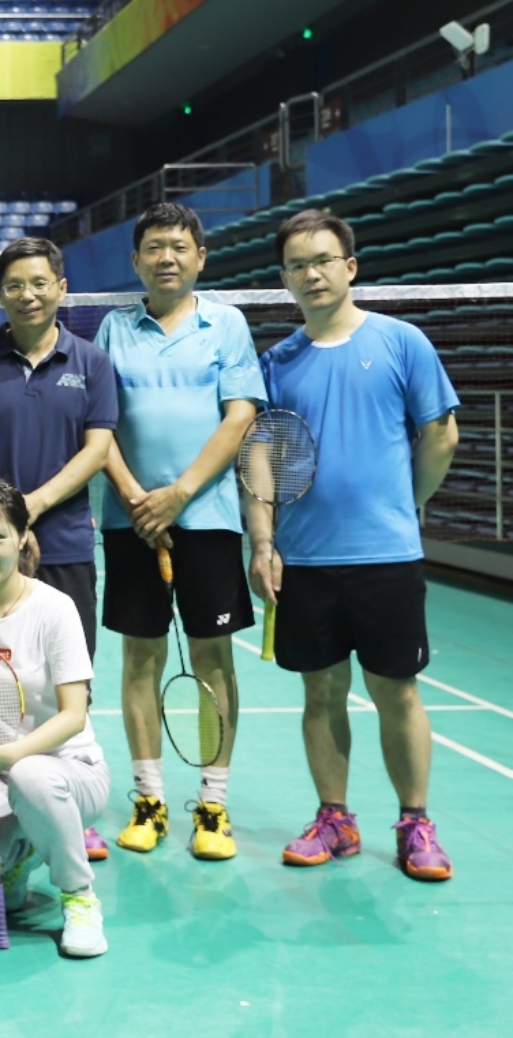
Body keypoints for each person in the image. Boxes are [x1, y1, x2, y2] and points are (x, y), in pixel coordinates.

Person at [255, 210, 459, 881]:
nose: (311, 274)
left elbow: (441, 435)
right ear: (284, 278)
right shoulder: (277, 363)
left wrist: (403, 504)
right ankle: (334, 819)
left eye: (322, 260)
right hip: (306, 559)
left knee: (397, 691)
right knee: (321, 694)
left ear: (350, 266)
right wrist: (264, 541)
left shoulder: (401, 342)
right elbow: (264, 460)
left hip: (386, 558)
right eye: (297, 265)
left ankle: (416, 822)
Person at [96, 202, 263, 862]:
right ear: (136, 261)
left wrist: (180, 494)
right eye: (154, 247)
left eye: (179, 246)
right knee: (140, 658)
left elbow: (240, 415)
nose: (167, 257)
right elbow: (98, 424)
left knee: (213, 659)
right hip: (131, 520)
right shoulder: (113, 328)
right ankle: (149, 800)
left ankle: (213, 805)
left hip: (207, 518)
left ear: (201, 258)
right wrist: (138, 499)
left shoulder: (227, 325)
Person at [0, 236, 117, 863]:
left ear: (61, 288)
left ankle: (63, 799)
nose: (28, 294)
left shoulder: (91, 361)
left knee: (69, 681)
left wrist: (30, 509)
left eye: (40, 282)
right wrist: (2, 522)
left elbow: (98, 448)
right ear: (0, 293)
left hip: (63, 540)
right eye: (15, 284)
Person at [0, 479, 111, 957]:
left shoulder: (55, 609)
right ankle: (23, 852)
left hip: (69, 772)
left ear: (21, 537)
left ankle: (79, 896)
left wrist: (9, 755)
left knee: (32, 776)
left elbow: (73, 716)